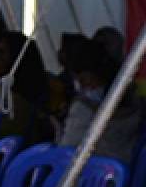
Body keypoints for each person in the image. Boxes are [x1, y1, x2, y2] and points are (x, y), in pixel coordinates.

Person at [60, 35, 142, 164]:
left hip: (85, 178)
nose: (81, 86)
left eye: (84, 80)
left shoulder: (83, 109)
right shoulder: (134, 107)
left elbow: (64, 152)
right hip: (122, 176)